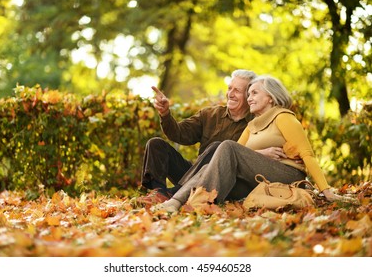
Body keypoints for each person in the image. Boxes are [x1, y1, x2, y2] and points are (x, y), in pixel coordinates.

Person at [152, 75, 343, 212]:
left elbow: (307, 154)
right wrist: (262, 153)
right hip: (259, 177)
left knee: (225, 146)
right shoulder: (252, 125)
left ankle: (190, 202)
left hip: (286, 173)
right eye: (249, 94)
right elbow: (236, 154)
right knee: (213, 162)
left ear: (270, 97)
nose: (249, 98)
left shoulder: (283, 117)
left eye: (254, 93)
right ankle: (176, 202)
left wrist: (326, 191)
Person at [136, 69, 257, 206]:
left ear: (249, 96)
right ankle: (159, 193)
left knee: (219, 147)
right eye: (230, 88)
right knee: (155, 144)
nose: (231, 94)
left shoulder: (257, 122)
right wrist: (165, 114)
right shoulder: (210, 114)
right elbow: (179, 133)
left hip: (226, 184)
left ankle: (176, 192)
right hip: (195, 177)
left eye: (237, 91)